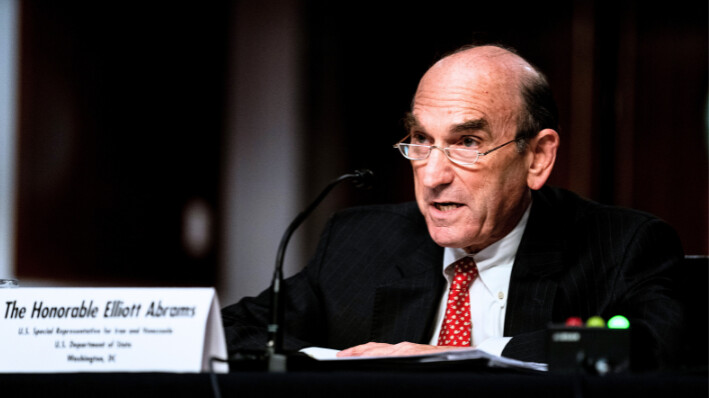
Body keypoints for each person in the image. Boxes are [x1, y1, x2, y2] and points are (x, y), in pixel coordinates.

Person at [221, 44, 684, 370]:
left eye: (466, 143)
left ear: (537, 157)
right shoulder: (360, 240)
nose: (433, 175)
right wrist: (342, 365)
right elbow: (233, 331)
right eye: (422, 141)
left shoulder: (619, 245)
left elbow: (649, 344)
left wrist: (458, 359)